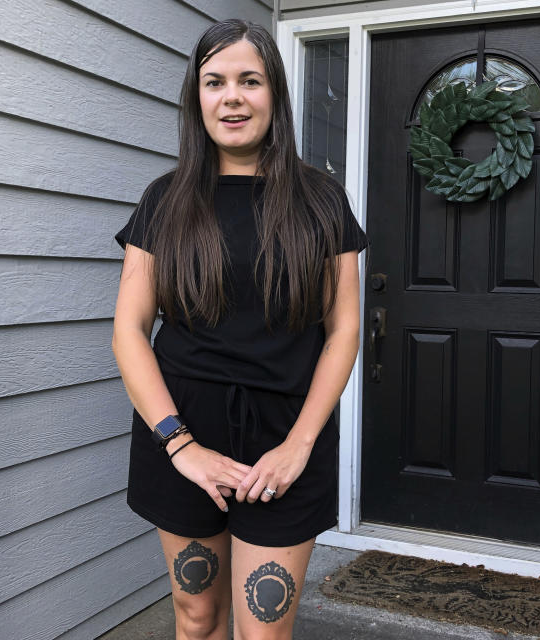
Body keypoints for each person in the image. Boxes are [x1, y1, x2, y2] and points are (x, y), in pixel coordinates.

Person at [110, 18, 369, 640]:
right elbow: (129, 330)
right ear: (196, 98)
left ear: (274, 94)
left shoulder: (322, 201)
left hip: (285, 440)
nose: (232, 97)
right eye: (214, 82)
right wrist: (181, 445)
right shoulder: (163, 201)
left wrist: (301, 445)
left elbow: (344, 328)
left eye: (249, 81)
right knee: (197, 618)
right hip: (183, 436)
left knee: (264, 631)